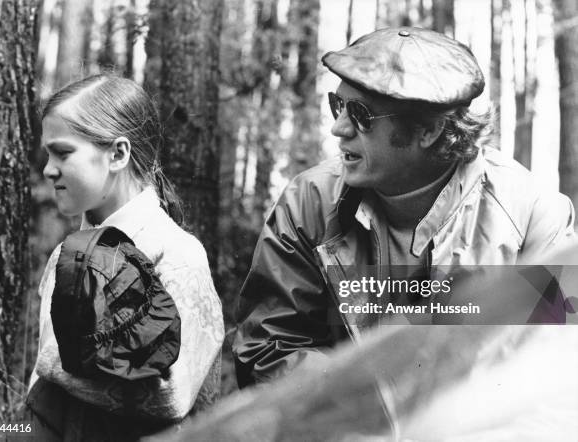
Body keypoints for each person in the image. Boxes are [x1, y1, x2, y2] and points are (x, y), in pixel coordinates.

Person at [232, 27, 576, 388]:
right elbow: (268, 350)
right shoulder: (309, 203)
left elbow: (556, 372)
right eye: (338, 106)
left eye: (360, 114)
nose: (338, 128)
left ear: (428, 131)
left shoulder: (532, 216)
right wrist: (375, 400)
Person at [26, 74, 224, 440]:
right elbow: (40, 397)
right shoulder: (64, 255)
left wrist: (56, 363)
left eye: (63, 152)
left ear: (117, 154)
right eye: (48, 154)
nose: (48, 169)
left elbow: (173, 397)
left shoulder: (177, 253)